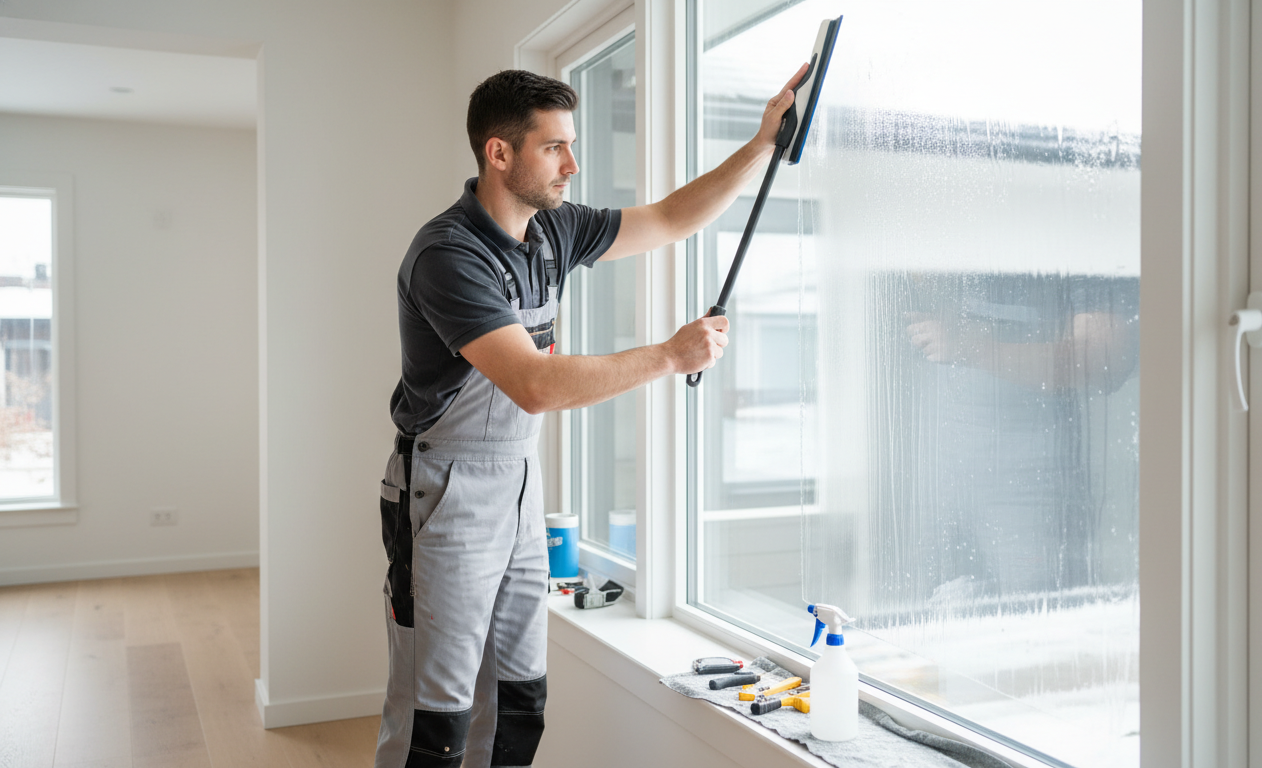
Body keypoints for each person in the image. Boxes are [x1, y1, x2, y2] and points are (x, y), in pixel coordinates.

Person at [375, 65, 806, 768]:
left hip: (518, 481)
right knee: (435, 719)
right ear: (499, 153)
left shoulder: (554, 231)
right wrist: (668, 355)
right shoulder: (449, 255)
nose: (573, 165)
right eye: (554, 148)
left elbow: (668, 219)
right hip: (446, 492)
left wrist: (762, 144)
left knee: (519, 701)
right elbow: (535, 385)